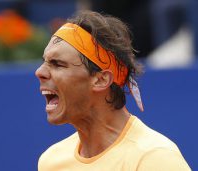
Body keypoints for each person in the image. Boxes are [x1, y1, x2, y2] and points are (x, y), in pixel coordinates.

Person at [35, 10, 191, 171]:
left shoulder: (155, 159)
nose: (39, 72)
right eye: (45, 62)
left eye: (58, 64)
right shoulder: (51, 161)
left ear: (101, 80)